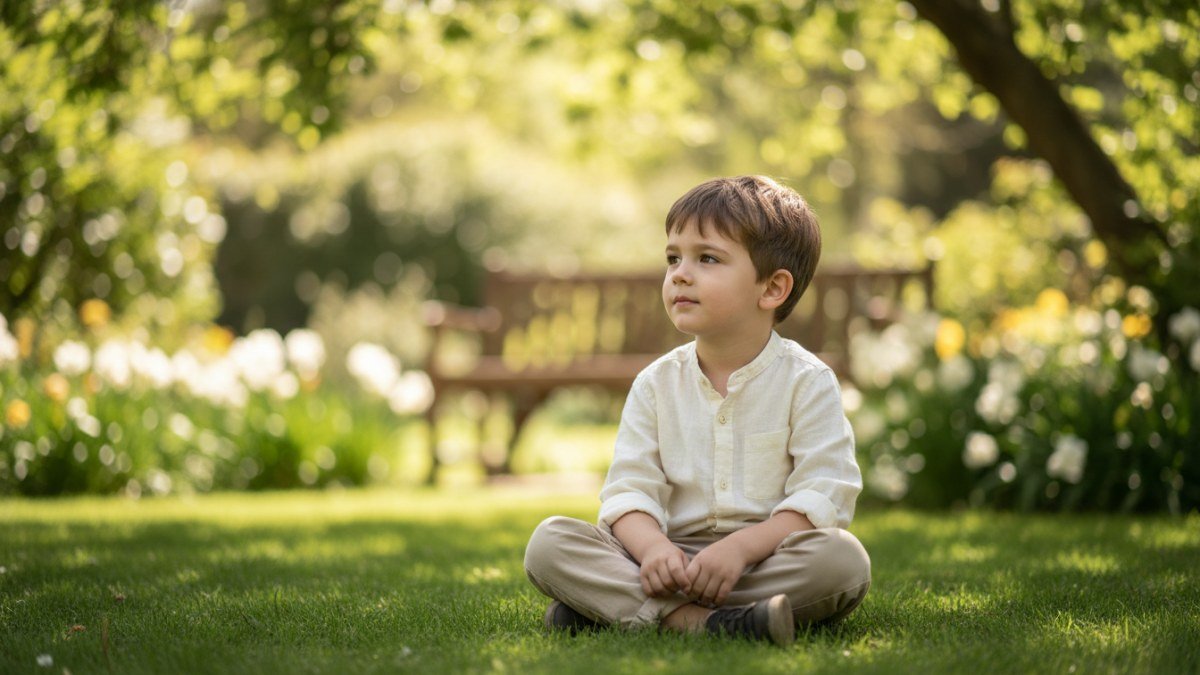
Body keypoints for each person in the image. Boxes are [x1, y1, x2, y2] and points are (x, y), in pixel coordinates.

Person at [523, 175, 870, 646]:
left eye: (707, 258)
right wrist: (654, 553)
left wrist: (738, 550)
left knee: (843, 561)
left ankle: (615, 609)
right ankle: (710, 622)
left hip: (763, 561)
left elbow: (824, 494)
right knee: (549, 543)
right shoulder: (655, 384)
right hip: (669, 562)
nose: (680, 274)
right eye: (673, 258)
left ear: (771, 289)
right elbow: (629, 492)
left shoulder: (807, 382)